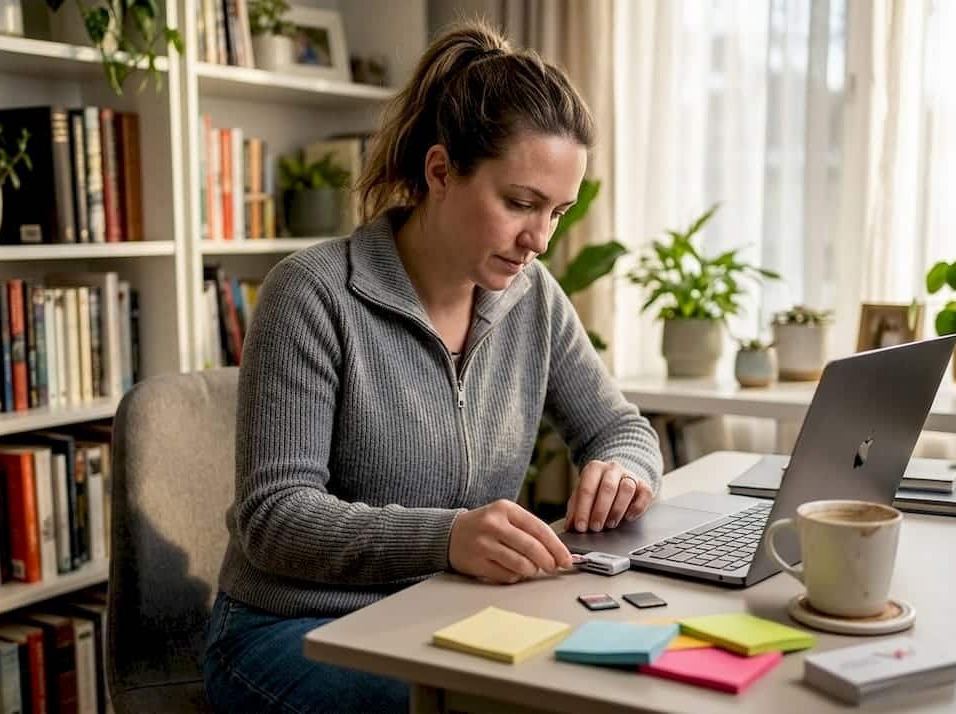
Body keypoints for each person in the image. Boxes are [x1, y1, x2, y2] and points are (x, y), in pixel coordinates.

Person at [203, 21, 664, 714]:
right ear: (441, 172)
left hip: (447, 616)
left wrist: (623, 469)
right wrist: (445, 538)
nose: (540, 239)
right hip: (292, 630)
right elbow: (275, 517)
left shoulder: (533, 297)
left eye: (558, 212)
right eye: (520, 203)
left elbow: (621, 429)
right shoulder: (313, 293)